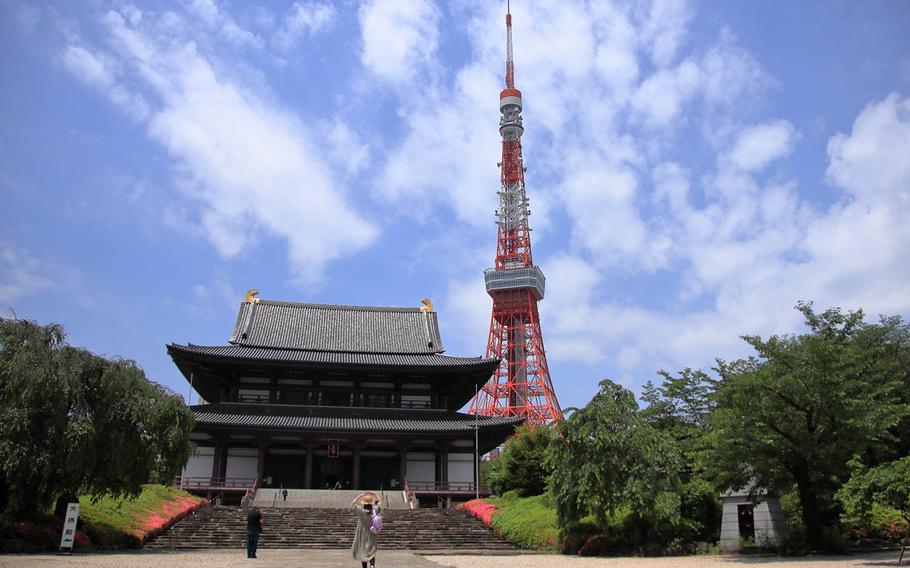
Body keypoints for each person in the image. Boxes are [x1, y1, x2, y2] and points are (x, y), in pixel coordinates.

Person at [351, 492, 381, 568]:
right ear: (371, 503)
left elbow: (353, 503)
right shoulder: (374, 510)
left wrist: (360, 495)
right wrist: (374, 494)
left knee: (363, 550)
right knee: (371, 549)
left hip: (362, 533)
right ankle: (372, 564)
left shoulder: (361, 510)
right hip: (372, 532)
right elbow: (380, 502)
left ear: (364, 503)